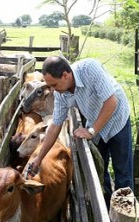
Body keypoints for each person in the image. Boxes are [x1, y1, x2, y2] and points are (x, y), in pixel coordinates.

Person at [29, 56, 133, 208]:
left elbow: (111, 102)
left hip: (117, 120)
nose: (51, 90)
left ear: (65, 75)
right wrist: (38, 159)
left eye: (54, 85)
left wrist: (92, 130)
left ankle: (125, 217)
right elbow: (55, 125)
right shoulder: (60, 93)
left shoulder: (90, 68)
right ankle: (107, 214)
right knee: (99, 170)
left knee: (123, 173)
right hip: (96, 123)